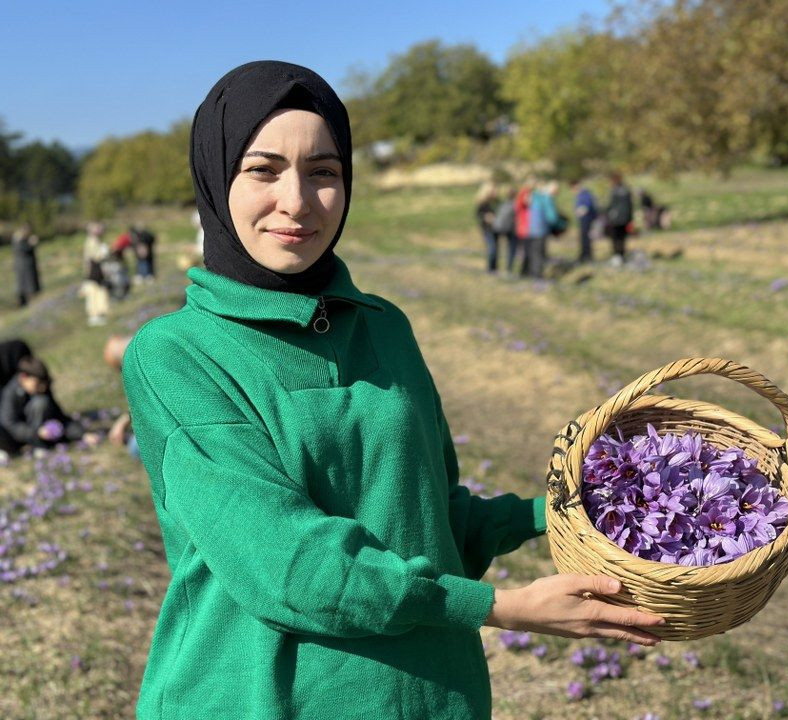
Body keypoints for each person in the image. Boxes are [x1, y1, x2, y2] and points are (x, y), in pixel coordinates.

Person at [122, 61, 663, 720]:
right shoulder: (176, 356)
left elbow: (428, 517)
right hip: (261, 699)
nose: (296, 201)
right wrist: (503, 608)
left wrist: (553, 514)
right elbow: (290, 565)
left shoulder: (384, 328)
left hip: (433, 695)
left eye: (324, 172)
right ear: (214, 179)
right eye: (263, 171)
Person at [0, 356, 99, 459]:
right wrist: (37, 433)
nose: (42, 388)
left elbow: (59, 416)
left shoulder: (41, 391)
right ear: (24, 377)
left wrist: (82, 435)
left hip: (36, 432)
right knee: (40, 403)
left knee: (42, 401)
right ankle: (33, 446)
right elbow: (10, 424)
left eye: (44, 383)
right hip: (13, 437)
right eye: (38, 383)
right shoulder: (10, 393)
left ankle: (40, 444)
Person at [81, 222, 111, 326]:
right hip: (94, 271)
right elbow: (95, 256)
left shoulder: (96, 240)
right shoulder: (91, 241)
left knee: (100, 292)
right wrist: (103, 251)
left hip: (97, 270)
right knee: (93, 293)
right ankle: (94, 315)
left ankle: (100, 313)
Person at [605, 172, 633, 266]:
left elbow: (611, 205)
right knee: (622, 238)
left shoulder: (614, 191)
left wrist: (606, 213)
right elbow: (630, 206)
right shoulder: (626, 190)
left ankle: (617, 257)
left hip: (616, 219)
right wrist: (630, 219)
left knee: (615, 238)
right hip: (625, 219)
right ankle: (621, 256)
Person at [491, 184, 519, 274]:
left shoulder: (502, 203)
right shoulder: (516, 204)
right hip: (510, 229)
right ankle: (508, 269)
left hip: (498, 227)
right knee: (511, 249)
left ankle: (494, 268)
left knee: (497, 248)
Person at [11, 225, 41, 307]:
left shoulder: (22, 239)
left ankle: (27, 302)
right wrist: (31, 244)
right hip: (22, 267)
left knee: (27, 285)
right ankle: (22, 303)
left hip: (25, 266)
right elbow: (22, 250)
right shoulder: (18, 239)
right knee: (23, 286)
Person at [475, 181, 499, 273]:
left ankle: (494, 269)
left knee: (496, 249)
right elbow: (478, 215)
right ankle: (490, 269)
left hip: (496, 228)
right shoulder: (482, 202)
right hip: (487, 229)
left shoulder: (496, 201)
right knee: (492, 248)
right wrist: (486, 217)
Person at [572, 179, 598, 263]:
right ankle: (584, 254)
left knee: (585, 237)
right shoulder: (581, 194)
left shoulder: (585, 194)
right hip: (583, 219)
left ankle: (586, 255)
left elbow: (587, 206)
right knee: (583, 237)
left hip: (586, 219)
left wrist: (580, 211)